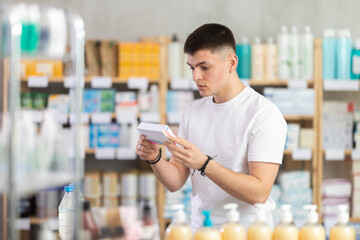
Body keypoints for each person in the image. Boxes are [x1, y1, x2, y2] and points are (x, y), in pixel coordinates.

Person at [136, 23, 287, 231]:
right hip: (201, 230)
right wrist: (155, 158)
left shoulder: (263, 115)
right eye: (192, 67)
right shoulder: (192, 112)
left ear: (231, 63)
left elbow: (260, 192)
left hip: (247, 232)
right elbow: (176, 181)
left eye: (204, 67)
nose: (196, 77)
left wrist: (205, 164)